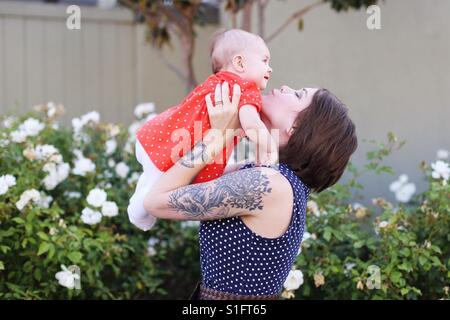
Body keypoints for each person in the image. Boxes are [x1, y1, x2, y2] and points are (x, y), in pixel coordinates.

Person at [143, 82, 358, 300]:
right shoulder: (270, 176)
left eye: (297, 94)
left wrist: (217, 136)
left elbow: (155, 201)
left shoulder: (270, 184)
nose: (284, 87)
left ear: (295, 127)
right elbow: (180, 178)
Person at [128, 29, 276, 231]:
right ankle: (139, 216)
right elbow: (251, 124)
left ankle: (144, 186)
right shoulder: (247, 89)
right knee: (149, 197)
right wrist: (269, 145)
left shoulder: (214, 82)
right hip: (173, 156)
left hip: (156, 138)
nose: (270, 68)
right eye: (265, 60)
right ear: (240, 63)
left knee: (152, 177)